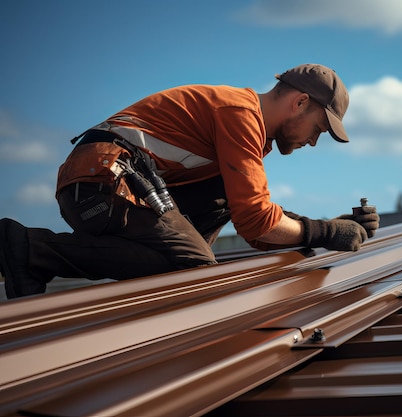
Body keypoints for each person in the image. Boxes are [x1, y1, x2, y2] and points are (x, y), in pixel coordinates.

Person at [0, 63, 379, 299]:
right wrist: (324, 232)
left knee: (216, 211)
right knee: (194, 273)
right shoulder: (240, 115)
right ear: (299, 103)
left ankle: (34, 253)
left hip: (105, 185)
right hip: (103, 182)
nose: (314, 141)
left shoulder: (248, 132)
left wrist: (335, 227)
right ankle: (31, 250)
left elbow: (253, 224)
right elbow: (258, 220)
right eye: (319, 129)